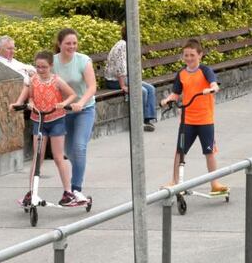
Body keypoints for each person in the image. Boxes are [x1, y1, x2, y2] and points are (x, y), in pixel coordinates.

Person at [11, 51, 77, 207]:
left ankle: (68, 192)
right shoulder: (33, 80)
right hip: (39, 120)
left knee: (58, 157)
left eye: (44, 67)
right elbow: (30, 96)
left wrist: (63, 103)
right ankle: (32, 191)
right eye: (38, 67)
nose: (40, 70)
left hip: (56, 120)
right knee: (37, 157)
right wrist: (30, 103)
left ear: (51, 66)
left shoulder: (57, 80)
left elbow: (72, 94)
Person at [160, 39, 227, 193]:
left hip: (205, 120)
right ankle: (174, 181)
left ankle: (214, 183)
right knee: (180, 151)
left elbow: (214, 83)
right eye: (186, 55)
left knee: (209, 152)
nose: (189, 58)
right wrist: (168, 100)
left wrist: (212, 88)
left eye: (192, 55)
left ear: (200, 55)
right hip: (187, 120)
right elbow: (176, 93)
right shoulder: (181, 74)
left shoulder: (205, 70)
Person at [52, 28, 97, 205]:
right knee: (69, 152)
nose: (71, 46)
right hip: (62, 111)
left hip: (84, 110)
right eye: (68, 43)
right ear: (59, 44)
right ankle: (76, 175)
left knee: (79, 147)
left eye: (74, 43)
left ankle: (76, 189)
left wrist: (81, 102)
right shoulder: (53, 62)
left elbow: (92, 87)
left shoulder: (83, 61)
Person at [104, 26, 159, 132]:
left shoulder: (128, 45)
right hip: (114, 81)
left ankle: (147, 119)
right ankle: (138, 122)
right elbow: (120, 67)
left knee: (150, 88)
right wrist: (123, 86)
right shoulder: (122, 45)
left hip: (126, 78)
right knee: (142, 91)